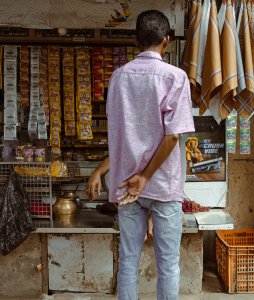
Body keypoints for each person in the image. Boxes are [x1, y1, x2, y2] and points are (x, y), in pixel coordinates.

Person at [86, 10, 195, 300]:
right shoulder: (176, 77)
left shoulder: (119, 77)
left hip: (126, 186)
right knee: (169, 265)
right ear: (167, 41)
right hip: (161, 184)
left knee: (129, 261)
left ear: (136, 41)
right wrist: (146, 177)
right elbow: (173, 135)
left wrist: (130, 175)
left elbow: (121, 135)